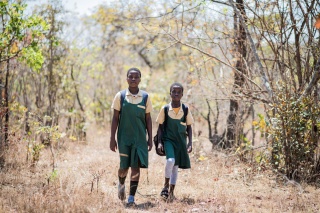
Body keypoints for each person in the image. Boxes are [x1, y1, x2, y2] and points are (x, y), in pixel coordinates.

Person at [110, 67, 153, 205]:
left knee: (136, 167)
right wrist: (112, 138)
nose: (133, 79)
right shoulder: (120, 96)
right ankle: (121, 184)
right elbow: (115, 118)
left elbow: (148, 119)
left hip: (139, 139)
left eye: (136, 77)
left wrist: (150, 138)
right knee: (124, 167)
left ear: (140, 79)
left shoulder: (145, 97)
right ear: (127, 78)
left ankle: (131, 198)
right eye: (131, 76)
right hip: (123, 138)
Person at [155, 82, 194, 201]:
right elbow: (160, 127)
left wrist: (190, 143)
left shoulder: (185, 109)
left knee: (175, 167)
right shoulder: (165, 109)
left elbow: (189, 127)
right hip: (168, 140)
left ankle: (171, 193)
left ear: (182, 94)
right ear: (170, 93)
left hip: (181, 142)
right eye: (174, 91)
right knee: (170, 160)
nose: (176, 94)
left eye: (178, 92)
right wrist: (160, 142)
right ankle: (165, 187)